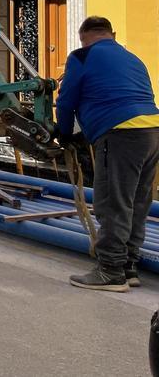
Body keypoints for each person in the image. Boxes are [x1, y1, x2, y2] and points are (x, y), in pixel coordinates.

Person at [58, 16, 159, 292]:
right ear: (111, 34)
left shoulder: (81, 56)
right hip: (152, 130)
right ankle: (128, 267)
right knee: (137, 202)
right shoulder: (133, 58)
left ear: (84, 37)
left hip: (119, 134)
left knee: (113, 202)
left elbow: (66, 101)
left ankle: (110, 272)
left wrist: (63, 134)